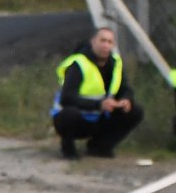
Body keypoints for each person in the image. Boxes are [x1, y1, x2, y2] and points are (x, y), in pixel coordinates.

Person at [51, 25, 143, 159]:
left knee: (135, 111)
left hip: (99, 116)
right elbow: (67, 98)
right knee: (69, 114)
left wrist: (126, 99)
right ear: (93, 41)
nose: (105, 45)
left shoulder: (115, 63)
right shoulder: (78, 64)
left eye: (109, 42)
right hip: (74, 118)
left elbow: (125, 87)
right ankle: (68, 148)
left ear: (113, 45)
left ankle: (99, 146)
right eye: (102, 40)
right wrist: (99, 105)